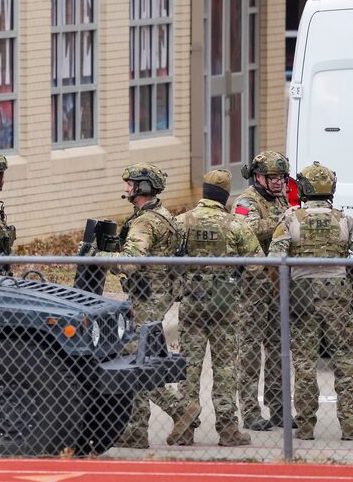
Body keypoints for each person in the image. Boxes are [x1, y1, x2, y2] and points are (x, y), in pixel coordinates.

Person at [100, 163, 200, 449]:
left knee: (134, 361)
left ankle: (177, 410)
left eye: (131, 184)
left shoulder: (145, 222)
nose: (126, 189)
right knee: (139, 359)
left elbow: (130, 261)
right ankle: (137, 429)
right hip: (156, 294)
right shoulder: (161, 215)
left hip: (147, 297)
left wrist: (99, 256)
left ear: (143, 187)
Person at [268, 162, 353, 441]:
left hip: (302, 293)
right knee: (346, 361)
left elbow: (274, 257)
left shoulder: (290, 219)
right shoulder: (345, 220)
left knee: (304, 362)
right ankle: (350, 426)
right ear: (331, 189)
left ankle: (305, 427)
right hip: (337, 291)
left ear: (302, 189)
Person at [171, 169, 264, 447]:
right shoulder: (235, 225)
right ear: (225, 195)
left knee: (188, 367)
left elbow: (167, 258)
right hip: (226, 307)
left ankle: (185, 429)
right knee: (225, 369)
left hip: (192, 303)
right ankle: (228, 430)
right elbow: (257, 265)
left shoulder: (182, 222)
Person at [232, 150, 291, 431]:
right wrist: (285, 221)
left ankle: (279, 409)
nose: (279, 182)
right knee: (250, 352)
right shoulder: (246, 201)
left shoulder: (280, 199)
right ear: (259, 177)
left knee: (279, 350)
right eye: (273, 178)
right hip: (253, 287)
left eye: (282, 177)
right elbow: (247, 229)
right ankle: (250, 411)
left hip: (277, 285)